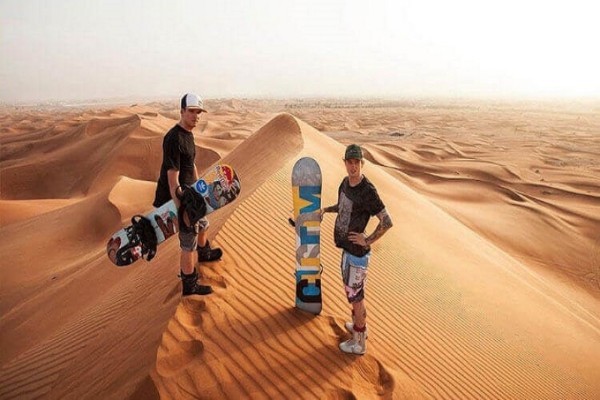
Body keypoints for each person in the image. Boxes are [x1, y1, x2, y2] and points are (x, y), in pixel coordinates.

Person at [321, 144, 393, 355]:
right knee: (353, 296)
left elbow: (387, 221)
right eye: (349, 162)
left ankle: (359, 342)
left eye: (356, 163)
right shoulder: (345, 183)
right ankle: (360, 327)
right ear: (344, 163)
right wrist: (326, 209)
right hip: (347, 250)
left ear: (362, 164)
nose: (353, 167)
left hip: (357, 256)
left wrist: (368, 239)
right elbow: (342, 206)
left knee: (356, 298)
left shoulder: (367, 191)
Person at [153, 93, 223, 296]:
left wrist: (199, 186)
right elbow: (172, 177)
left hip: (189, 193)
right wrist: (181, 210)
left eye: (198, 112)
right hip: (175, 197)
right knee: (188, 239)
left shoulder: (188, 135)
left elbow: (190, 163)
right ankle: (189, 284)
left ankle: (204, 252)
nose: (196, 116)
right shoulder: (173, 138)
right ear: (182, 111)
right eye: (191, 111)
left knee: (203, 225)